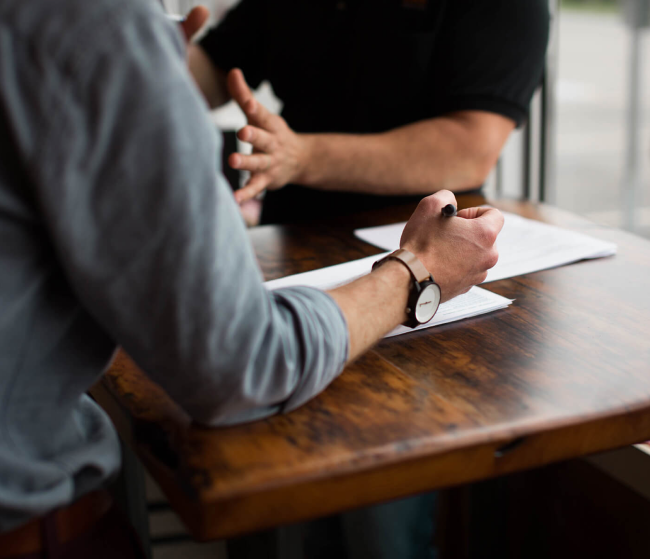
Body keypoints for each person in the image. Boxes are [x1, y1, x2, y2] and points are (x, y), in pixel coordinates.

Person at [0, 0, 504, 556]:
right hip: (312, 288)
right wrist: (418, 272)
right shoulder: (93, 25)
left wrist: (147, 68)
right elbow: (241, 362)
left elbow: (472, 146)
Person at [188, 0, 550, 224]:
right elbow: (218, 67)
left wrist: (300, 156)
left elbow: (469, 149)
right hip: (291, 233)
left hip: (421, 245)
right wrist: (151, 61)